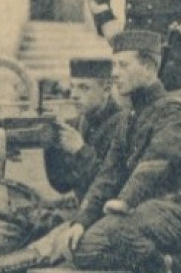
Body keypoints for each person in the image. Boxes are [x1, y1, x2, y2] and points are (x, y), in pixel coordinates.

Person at [0, 30, 181, 273]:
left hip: (174, 208)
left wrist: (124, 202)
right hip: (141, 211)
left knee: (116, 228)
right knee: (81, 248)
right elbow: (109, 174)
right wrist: (81, 222)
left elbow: (155, 165)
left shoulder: (172, 111)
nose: (115, 73)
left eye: (123, 65)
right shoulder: (131, 117)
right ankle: (174, 258)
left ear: (149, 67)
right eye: (115, 65)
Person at [40, 57, 125, 199]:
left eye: (84, 87)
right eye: (72, 87)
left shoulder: (123, 125)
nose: (74, 95)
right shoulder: (77, 124)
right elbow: (62, 185)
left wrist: (80, 150)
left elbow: (113, 187)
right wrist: (50, 144)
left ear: (106, 90)